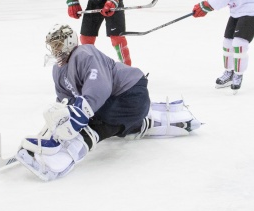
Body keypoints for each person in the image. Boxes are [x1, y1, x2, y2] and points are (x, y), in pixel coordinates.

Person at [14, 24, 201, 181]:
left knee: (93, 122)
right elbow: (65, 101)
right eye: (52, 45)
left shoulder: (84, 53)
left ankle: (65, 155)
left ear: (69, 42)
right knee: (88, 117)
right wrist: (57, 124)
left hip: (132, 94)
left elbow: (100, 87)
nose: (54, 49)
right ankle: (139, 124)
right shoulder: (58, 70)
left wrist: (77, 118)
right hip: (119, 104)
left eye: (57, 44)